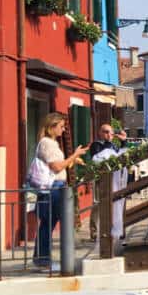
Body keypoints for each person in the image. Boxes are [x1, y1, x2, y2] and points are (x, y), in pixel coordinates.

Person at [33, 112, 88, 267]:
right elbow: (56, 167)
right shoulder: (47, 143)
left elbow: (58, 164)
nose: (63, 130)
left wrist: (73, 160)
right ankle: (44, 259)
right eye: (61, 127)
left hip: (55, 188)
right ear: (52, 127)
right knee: (50, 224)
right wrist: (74, 155)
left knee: (49, 223)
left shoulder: (51, 143)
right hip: (53, 188)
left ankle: (44, 259)